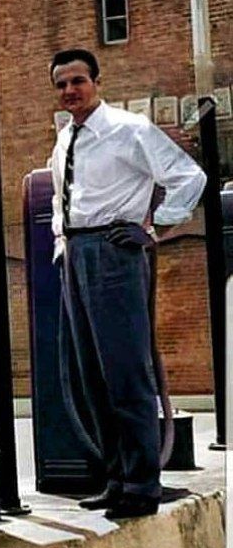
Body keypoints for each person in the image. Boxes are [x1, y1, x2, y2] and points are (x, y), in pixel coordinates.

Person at [48, 48, 206, 519]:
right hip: (76, 253)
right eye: (61, 84)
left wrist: (153, 225)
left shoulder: (127, 129)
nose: (70, 90)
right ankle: (115, 478)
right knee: (91, 376)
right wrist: (63, 246)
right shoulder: (65, 140)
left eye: (78, 81)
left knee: (125, 372)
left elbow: (188, 176)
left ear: (96, 82)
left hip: (114, 251)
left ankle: (142, 484)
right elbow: (63, 200)